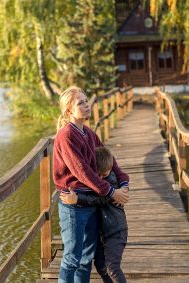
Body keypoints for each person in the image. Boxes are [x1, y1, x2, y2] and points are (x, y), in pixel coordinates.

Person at [53, 86, 129, 283]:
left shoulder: (88, 132)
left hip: (92, 202)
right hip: (74, 204)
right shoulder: (66, 135)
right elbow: (82, 171)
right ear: (69, 110)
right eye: (81, 103)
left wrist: (123, 182)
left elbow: (109, 159)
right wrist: (111, 191)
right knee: (72, 259)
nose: (87, 105)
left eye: (87, 101)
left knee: (86, 259)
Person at [60, 146, 129, 283]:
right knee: (101, 266)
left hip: (115, 230)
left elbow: (101, 198)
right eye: (99, 175)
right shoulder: (101, 175)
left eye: (105, 174)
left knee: (112, 267)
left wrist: (77, 199)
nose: (102, 178)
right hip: (103, 232)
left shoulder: (111, 180)